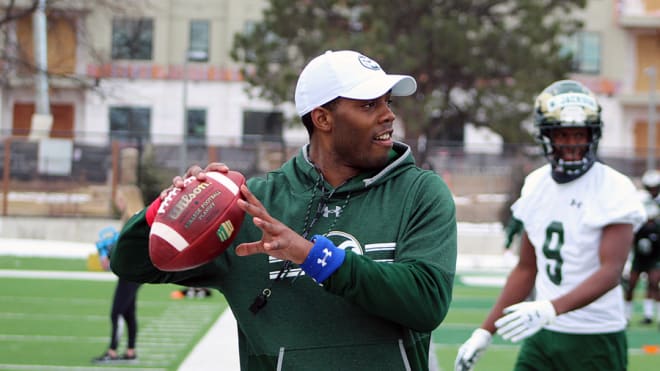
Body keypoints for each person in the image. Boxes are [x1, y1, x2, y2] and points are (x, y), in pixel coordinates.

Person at [111, 50, 457, 370]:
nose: (389, 115)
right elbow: (130, 262)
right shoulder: (247, 204)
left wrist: (313, 256)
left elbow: (426, 303)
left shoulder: (420, 192)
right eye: (369, 105)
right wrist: (170, 205)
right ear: (322, 118)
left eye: (388, 101)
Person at [454, 80, 646, 371]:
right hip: (542, 333)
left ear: (593, 134)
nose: (571, 144)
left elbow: (611, 272)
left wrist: (549, 308)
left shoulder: (614, 186)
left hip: (595, 336)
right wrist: (485, 331)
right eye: (562, 135)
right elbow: (526, 269)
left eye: (579, 134)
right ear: (546, 136)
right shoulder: (536, 184)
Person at [93, 186, 145, 363]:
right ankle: (131, 351)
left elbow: (130, 249)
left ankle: (112, 351)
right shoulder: (132, 218)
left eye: (121, 199)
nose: (118, 203)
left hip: (131, 273)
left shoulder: (133, 219)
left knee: (116, 312)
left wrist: (110, 255)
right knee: (129, 312)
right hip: (132, 272)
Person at [623, 170, 660, 325]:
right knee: (631, 284)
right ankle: (626, 316)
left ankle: (651, 315)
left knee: (653, 282)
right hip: (639, 252)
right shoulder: (640, 200)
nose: (652, 190)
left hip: (655, 251)